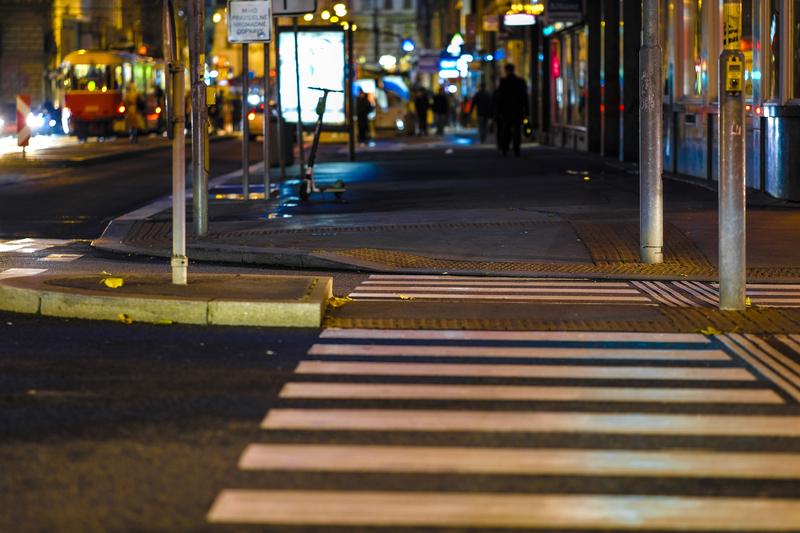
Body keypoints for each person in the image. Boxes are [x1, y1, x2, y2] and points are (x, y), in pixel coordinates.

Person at [495, 63, 529, 157]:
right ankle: (516, 149)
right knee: (517, 129)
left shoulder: (503, 82)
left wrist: (498, 111)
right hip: (518, 109)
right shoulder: (520, 81)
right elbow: (524, 97)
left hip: (506, 110)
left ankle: (505, 148)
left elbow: (500, 98)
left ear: (506, 70)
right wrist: (527, 110)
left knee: (506, 129)